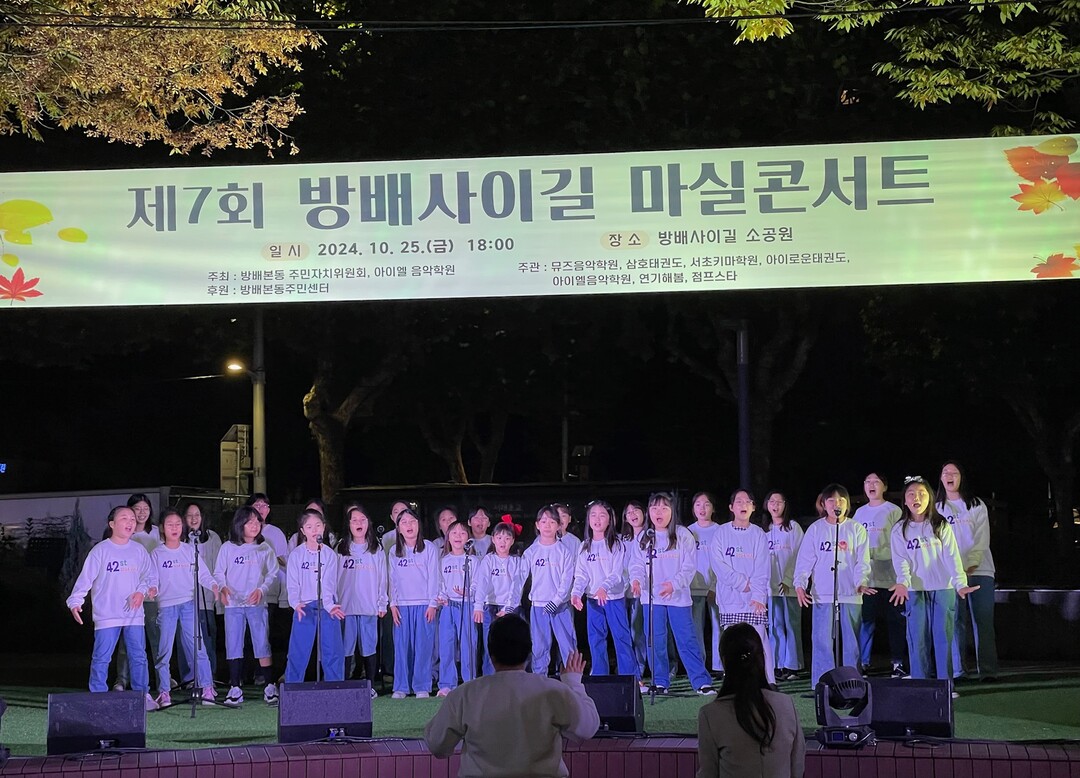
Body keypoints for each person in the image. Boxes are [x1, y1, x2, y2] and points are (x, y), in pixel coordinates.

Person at [423, 614, 600, 778]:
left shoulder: (465, 694)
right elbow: (588, 728)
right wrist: (573, 683)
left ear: (490, 654)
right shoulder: (553, 691)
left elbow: (437, 744)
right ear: (529, 651)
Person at [68, 505, 159, 711]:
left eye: (132, 519)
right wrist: (75, 601)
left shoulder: (139, 550)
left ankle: (142, 695)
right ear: (112, 524)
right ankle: (98, 697)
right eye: (124, 518)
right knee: (101, 658)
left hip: (133, 614)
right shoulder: (100, 550)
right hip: (107, 615)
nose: (130, 522)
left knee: (138, 656)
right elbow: (85, 579)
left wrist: (142, 592)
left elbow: (149, 576)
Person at [890, 476, 979, 685]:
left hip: (943, 588)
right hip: (915, 590)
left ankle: (944, 686)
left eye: (922, 494)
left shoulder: (940, 524)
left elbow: (952, 556)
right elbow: (900, 560)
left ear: (929, 498)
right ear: (904, 500)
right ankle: (920, 685)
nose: (916, 498)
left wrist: (960, 583)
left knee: (943, 638)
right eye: (911, 494)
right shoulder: (899, 529)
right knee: (917, 639)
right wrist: (903, 582)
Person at [628, 491, 716, 695]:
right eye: (654, 508)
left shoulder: (683, 534)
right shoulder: (644, 536)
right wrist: (636, 581)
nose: (659, 512)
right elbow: (636, 565)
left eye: (664, 508)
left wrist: (674, 585)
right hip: (652, 599)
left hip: (678, 598)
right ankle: (660, 681)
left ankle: (701, 681)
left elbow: (689, 566)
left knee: (686, 640)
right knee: (655, 640)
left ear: (672, 511)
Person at [696, 623, 806, 778]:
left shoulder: (711, 714)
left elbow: (708, 773)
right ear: (761, 657)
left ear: (724, 661)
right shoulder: (785, 704)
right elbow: (797, 767)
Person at [792, 484, 873, 688]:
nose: (836, 504)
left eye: (841, 500)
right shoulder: (816, 529)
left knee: (851, 641)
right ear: (823, 504)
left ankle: (852, 683)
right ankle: (822, 684)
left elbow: (862, 561)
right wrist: (800, 584)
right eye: (831, 500)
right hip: (823, 593)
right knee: (822, 640)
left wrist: (861, 582)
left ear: (847, 504)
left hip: (851, 593)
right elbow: (805, 561)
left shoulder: (856, 528)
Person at [936, 461, 999, 682]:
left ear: (962, 477)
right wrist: (952, 569)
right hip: (951, 575)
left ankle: (988, 671)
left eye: (954, 472)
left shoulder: (976, 504)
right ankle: (959, 670)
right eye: (945, 472)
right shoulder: (937, 507)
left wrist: (972, 562)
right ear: (941, 478)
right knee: (955, 622)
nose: (949, 476)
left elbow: (982, 537)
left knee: (983, 620)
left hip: (980, 570)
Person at [150, 508, 218, 707]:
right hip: (166, 607)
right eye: (170, 524)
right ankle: (164, 692)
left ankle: (207, 687)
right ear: (162, 528)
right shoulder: (157, 553)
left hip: (188, 604)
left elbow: (203, 574)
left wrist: (215, 586)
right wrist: (152, 588)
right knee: (164, 651)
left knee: (198, 647)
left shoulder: (189, 550)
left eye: (178, 524)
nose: (174, 528)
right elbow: (152, 578)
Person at [214, 506, 280, 707]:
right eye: (250, 522)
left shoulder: (264, 548)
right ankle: (235, 687)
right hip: (233, 604)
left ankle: (269, 686)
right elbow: (219, 572)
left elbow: (273, 572)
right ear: (239, 524)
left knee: (262, 643)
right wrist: (223, 588)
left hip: (256, 603)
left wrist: (261, 589)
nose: (254, 525)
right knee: (233, 644)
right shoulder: (228, 547)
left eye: (257, 521)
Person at [711, 490, 775, 685]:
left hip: (753, 600)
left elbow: (763, 567)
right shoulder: (721, 533)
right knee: (733, 643)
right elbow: (718, 565)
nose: (743, 505)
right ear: (731, 507)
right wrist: (741, 583)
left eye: (747, 501)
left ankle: (767, 682)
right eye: (738, 501)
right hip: (730, 599)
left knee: (758, 641)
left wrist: (757, 594)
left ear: (753, 507)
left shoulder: (758, 534)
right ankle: (735, 683)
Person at [570, 500, 636, 676]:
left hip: (613, 598)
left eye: (602, 515)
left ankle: (630, 676)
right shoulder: (584, 546)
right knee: (596, 637)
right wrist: (576, 593)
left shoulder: (616, 544)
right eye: (593, 515)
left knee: (621, 637)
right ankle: (599, 674)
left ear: (610, 520)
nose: (597, 519)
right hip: (593, 599)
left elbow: (616, 573)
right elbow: (581, 574)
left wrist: (604, 588)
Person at [853, 472, 907, 677]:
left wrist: (873, 553)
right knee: (866, 622)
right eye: (867, 481)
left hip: (891, 579)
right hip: (868, 580)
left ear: (884, 486)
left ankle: (898, 663)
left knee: (896, 622)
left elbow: (898, 543)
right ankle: (863, 663)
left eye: (876, 481)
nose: (871, 485)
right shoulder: (859, 513)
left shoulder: (893, 511)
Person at [284, 509, 346, 684]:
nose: (314, 530)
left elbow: (328, 584)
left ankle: (335, 687)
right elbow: (292, 584)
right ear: (302, 530)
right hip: (304, 606)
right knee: (298, 651)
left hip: (327, 605)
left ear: (324, 528)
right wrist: (295, 603)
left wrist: (329, 605)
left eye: (318, 525)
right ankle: (293, 689)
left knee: (332, 650)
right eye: (309, 527)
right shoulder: (296, 554)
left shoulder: (329, 554)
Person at [388, 507, 439, 698]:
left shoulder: (429, 548)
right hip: (402, 606)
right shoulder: (394, 551)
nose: (408, 525)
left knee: (423, 646)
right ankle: (401, 686)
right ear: (398, 528)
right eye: (404, 522)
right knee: (402, 647)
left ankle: (421, 685)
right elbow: (391, 579)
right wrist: (392, 604)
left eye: (412, 521)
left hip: (424, 604)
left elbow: (434, 577)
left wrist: (432, 603)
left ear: (418, 524)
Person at [337, 503, 387, 696]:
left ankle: (370, 685)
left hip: (369, 606)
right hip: (346, 607)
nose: (359, 523)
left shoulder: (376, 548)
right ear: (348, 524)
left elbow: (383, 578)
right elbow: (334, 578)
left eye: (362, 520)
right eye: (354, 520)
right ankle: (344, 684)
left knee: (369, 646)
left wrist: (382, 602)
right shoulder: (341, 547)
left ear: (369, 523)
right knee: (346, 647)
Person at [113, 493, 160, 692]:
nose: (141, 513)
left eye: (145, 509)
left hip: (151, 595)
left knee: (156, 638)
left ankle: (163, 678)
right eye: (137, 509)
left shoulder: (157, 533)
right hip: (129, 596)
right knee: (127, 641)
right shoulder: (124, 533)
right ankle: (122, 679)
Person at [523, 505, 578, 675]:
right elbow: (519, 580)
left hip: (560, 606)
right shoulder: (531, 551)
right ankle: (540, 680)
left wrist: (556, 601)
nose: (547, 525)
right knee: (539, 646)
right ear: (537, 525)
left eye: (552, 522)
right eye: (543, 521)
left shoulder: (564, 552)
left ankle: (573, 680)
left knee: (568, 645)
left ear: (559, 526)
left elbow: (566, 581)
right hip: (538, 606)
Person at [473, 517, 527, 676]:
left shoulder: (516, 561)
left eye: (507, 538)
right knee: (490, 645)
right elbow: (482, 582)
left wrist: (508, 607)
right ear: (493, 539)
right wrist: (478, 605)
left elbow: (517, 586)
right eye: (499, 537)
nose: (503, 541)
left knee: (513, 644)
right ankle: (490, 679)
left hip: (511, 608)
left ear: (512, 541)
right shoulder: (488, 560)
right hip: (490, 606)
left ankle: (514, 678)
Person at [247, 493, 288, 683]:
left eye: (265, 506)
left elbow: (284, 562)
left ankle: (263, 674)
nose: (261, 509)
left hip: (268, 592)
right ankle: (246, 674)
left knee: (264, 633)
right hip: (246, 592)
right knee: (248, 634)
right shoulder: (242, 531)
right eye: (257, 505)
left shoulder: (275, 533)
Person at [762, 490, 804, 681]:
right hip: (770, 588)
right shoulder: (763, 530)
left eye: (779, 501)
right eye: (772, 501)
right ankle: (777, 664)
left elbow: (799, 555)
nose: (775, 505)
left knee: (792, 625)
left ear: (785, 505)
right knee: (774, 625)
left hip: (790, 586)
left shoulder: (793, 528)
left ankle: (793, 665)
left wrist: (788, 579)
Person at [179, 500, 222, 684]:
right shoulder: (180, 539)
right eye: (189, 515)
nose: (193, 518)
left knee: (206, 636)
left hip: (206, 598)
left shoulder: (212, 538)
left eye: (197, 515)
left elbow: (218, 567)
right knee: (186, 639)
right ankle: (189, 678)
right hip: (184, 598)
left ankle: (208, 678)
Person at [436, 520, 478, 695]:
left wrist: (468, 592)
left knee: (468, 645)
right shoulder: (443, 560)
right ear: (448, 537)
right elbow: (440, 584)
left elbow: (477, 583)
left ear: (468, 537)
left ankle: (470, 682)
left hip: (466, 605)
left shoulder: (473, 560)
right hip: (448, 607)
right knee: (446, 645)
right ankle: (447, 683)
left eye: (462, 533)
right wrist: (442, 597)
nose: (458, 536)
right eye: (454, 533)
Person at [689, 491, 723, 676]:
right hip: (694, 588)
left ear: (713, 508)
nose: (702, 508)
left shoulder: (720, 530)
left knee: (719, 626)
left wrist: (715, 586)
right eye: (698, 504)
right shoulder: (688, 531)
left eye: (706, 504)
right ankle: (699, 666)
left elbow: (724, 562)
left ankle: (719, 666)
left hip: (717, 588)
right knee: (695, 630)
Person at [621, 500, 649, 679]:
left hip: (643, 591)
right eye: (628, 512)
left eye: (636, 510)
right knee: (629, 630)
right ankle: (632, 668)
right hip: (624, 591)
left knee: (639, 630)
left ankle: (641, 667)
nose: (632, 514)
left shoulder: (651, 535)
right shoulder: (622, 539)